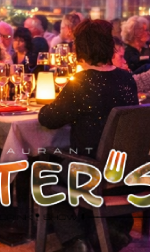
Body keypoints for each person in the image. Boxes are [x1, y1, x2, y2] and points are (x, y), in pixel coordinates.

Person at [39, 19, 138, 252]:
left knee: (44, 172)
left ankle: (75, 240)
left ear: (80, 49)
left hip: (93, 172)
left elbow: (48, 119)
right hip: (128, 169)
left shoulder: (82, 83)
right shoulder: (126, 79)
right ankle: (106, 232)